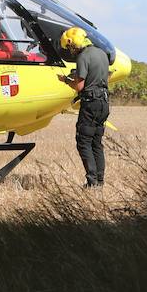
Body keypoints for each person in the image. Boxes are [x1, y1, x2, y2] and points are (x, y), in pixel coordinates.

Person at [59, 26, 110, 188]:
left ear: (74, 44)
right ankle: (100, 181)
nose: (70, 50)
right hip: (104, 102)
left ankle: (91, 181)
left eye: (69, 47)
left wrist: (66, 80)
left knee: (83, 141)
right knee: (96, 142)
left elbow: (79, 86)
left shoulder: (83, 57)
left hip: (90, 104)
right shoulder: (101, 53)